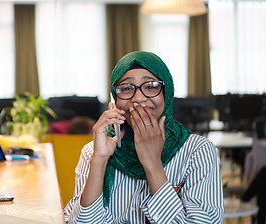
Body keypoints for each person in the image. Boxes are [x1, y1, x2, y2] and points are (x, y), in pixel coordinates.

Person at [64, 51, 224, 223]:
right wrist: (99, 160)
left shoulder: (198, 151)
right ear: (115, 99)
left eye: (151, 86)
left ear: (167, 93)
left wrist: (153, 163)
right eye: (126, 89)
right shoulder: (94, 151)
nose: (138, 98)